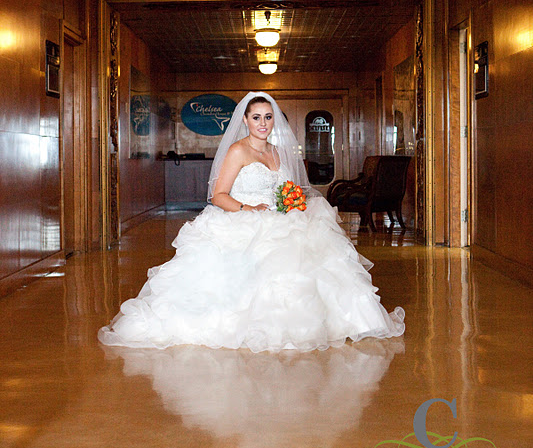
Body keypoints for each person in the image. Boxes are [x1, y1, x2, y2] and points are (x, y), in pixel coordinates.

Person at [98, 92, 405, 353]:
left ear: (274, 120)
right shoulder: (237, 151)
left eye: (268, 117)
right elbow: (218, 195)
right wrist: (248, 209)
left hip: (280, 218)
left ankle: (315, 322)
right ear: (245, 120)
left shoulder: (278, 152)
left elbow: (287, 189)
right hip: (244, 216)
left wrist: (292, 201)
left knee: (312, 258)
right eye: (256, 117)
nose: (262, 123)